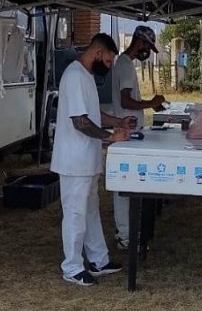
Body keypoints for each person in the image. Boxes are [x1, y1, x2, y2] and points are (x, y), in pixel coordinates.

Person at [50, 33, 133, 286]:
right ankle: (72, 266)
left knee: (90, 212)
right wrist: (110, 137)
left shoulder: (85, 76)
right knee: (75, 214)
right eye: (108, 61)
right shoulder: (75, 76)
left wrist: (119, 122)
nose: (108, 67)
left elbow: (94, 115)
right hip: (74, 160)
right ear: (98, 53)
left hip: (87, 159)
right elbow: (81, 122)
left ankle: (99, 259)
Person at [109, 25, 166, 250]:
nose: (148, 53)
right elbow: (125, 101)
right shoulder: (124, 65)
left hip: (130, 131)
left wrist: (150, 105)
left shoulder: (126, 64)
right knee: (123, 185)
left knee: (128, 183)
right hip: (125, 132)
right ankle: (125, 234)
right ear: (139, 42)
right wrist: (150, 103)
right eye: (148, 47)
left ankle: (126, 230)